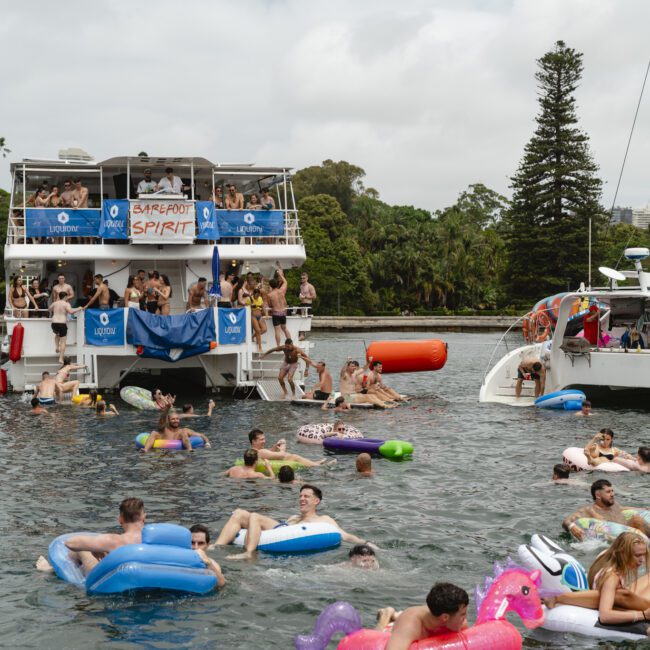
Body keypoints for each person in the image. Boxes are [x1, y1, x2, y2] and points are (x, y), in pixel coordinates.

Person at [214, 484, 374, 560]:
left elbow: (345, 536)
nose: (301, 499)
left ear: (316, 501)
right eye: (300, 496)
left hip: (288, 540)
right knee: (240, 513)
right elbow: (279, 531)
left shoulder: (324, 520)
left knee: (254, 516)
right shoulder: (293, 517)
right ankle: (216, 546)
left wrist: (367, 543)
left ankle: (249, 553)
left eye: (306, 496)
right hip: (281, 529)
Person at [543, 532, 650, 629]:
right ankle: (557, 598)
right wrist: (643, 615)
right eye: (637, 555)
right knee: (622, 594)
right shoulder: (612, 577)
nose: (641, 560)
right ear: (622, 553)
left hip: (614, 596)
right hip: (622, 603)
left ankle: (557, 598)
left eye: (643, 555)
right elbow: (605, 616)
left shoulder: (605, 556)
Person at [36, 498, 146, 575]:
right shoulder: (153, 538)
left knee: (82, 550)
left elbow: (70, 543)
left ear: (120, 519)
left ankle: (53, 571)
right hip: (145, 575)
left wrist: (94, 548)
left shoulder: (115, 541)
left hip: (111, 580)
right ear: (143, 518)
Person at [375, 583, 469, 649]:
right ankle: (386, 615)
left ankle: (396, 615)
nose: (465, 618)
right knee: (378, 636)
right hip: (394, 628)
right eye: (463, 614)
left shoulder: (458, 623)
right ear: (445, 617)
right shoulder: (411, 625)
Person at [562, 479, 650, 540]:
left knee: (636, 518)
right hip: (615, 539)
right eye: (608, 492)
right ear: (598, 495)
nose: (612, 494)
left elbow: (623, 508)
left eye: (612, 491)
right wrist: (572, 527)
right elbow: (566, 521)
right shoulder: (589, 510)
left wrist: (644, 509)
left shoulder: (614, 505)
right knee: (637, 520)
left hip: (628, 532)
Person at [248, 428, 331, 468]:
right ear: (253, 441)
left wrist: (274, 447)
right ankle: (317, 466)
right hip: (279, 464)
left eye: (264, 439)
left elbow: (267, 453)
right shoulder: (261, 452)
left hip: (270, 461)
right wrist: (283, 444)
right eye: (261, 440)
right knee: (294, 456)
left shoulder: (254, 451)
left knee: (289, 455)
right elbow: (281, 455)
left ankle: (315, 463)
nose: (264, 441)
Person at [142, 409, 211, 452]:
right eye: (173, 419)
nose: (176, 421)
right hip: (164, 454)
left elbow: (202, 435)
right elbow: (162, 419)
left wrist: (207, 443)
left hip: (181, 454)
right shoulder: (165, 430)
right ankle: (145, 450)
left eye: (177, 419)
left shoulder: (184, 430)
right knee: (154, 432)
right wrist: (168, 407)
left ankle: (189, 449)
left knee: (183, 432)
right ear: (168, 421)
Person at [49, 291, 83, 362]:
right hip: (62, 323)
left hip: (54, 323)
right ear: (65, 297)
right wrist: (79, 308)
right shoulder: (66, 304)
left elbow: (49, 309)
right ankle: (61, 358)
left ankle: (56, 347)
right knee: (63, 341)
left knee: (57, 334)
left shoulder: (55, 303)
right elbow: (70, 311)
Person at [267, 267, 290, 345]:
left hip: (276, 313)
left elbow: (270, 305)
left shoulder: (270, 295)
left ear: (270, 285)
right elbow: (285, 282)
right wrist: (281, 275)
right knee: (285, 328)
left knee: (277, 330)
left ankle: (278, 346)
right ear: (277, 284)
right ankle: (290, 343)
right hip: (283, 312)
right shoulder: (281, 291)